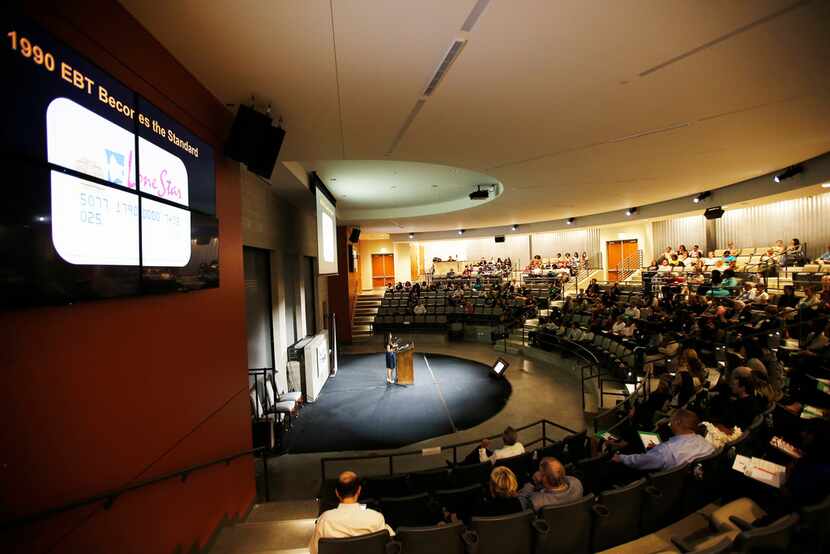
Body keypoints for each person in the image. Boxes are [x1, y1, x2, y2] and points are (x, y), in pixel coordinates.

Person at [308, 471, 393, 554]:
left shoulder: (324, 519)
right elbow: (388, 545)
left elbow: (314, 550)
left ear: (337, 493)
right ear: (359, 490)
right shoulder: (376, 517)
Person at [612, 409, 714, 472]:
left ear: (677, 422)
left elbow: (640, 461)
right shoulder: (704, 442)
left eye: (671, 421)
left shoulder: (666, 450)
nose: (669, 423)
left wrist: (621, 458)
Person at [518, 457, 583, 511]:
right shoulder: (577, 484)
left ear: (544, 479)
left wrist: (532, 483)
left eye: (540, 471)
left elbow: (521, 499)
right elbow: (562, 477)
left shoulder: (536, 501)